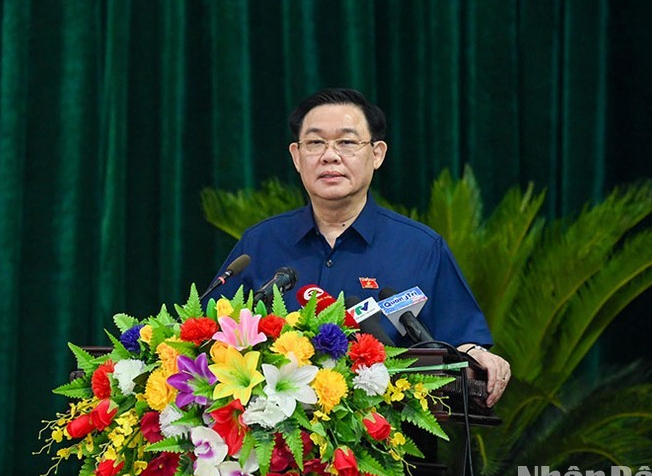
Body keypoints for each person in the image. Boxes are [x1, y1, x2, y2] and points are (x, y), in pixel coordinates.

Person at [210, 88, 511, 406]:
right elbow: (211, 336)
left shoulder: (420, 248)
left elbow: (461, 342)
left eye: (347, 142)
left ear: (377, 154)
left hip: (389, 443)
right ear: (297, 157)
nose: (330, 155)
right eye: (315, 143)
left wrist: (478, 356)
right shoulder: (261, 243)